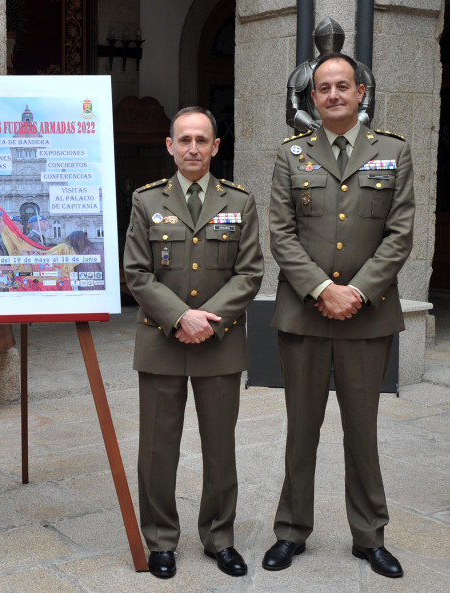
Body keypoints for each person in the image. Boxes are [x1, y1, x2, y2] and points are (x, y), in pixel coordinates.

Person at [264, 52, 414, 579]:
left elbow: (400, 236)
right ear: (312, 99)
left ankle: (369, 536)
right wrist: (323, 289)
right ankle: (290, 531)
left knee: (362, 430)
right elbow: (280, 233)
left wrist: (357, 292)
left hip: (366, 318)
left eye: (342, 86)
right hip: (304, 317)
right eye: (322, 88)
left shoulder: (393, 152)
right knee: (301, 429)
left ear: (361, 93)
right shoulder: (291, 155)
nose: (332, 95)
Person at [123, 106, 263, 579]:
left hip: (219, 343)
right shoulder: (146, 201)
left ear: (216, 147)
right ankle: (160, 539)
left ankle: (219, 538)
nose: (193, 148)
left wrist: (209, 321)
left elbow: (250, 272)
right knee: (158, 449)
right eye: (184, 139)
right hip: (162, 342)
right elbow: (136, 272)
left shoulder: (240, 202)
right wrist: (181, 316)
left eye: (202, 140)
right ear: (170, 145)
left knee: (220, 448)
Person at [286, 17, 376, 134]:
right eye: (325, 88)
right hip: (315, 135)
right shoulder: (303, 71)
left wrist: (348, 127)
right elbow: (292, 111)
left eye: (342, 86)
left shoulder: (362, 70)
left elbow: (367, 110)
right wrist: (310, 123)